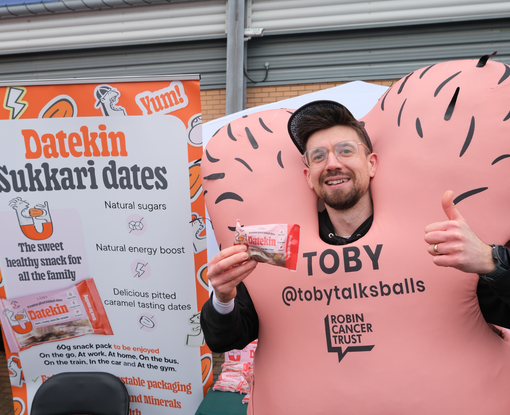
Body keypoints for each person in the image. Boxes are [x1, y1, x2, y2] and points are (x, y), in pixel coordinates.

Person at [201, 100, 510, 412]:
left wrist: (490, 262)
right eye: (318, 156)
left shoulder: (437, 237)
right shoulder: (277, 252)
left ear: (372, 163)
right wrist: (223, 296)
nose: (332, 163)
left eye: (346, 150)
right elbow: (225, 339)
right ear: (308, 176)